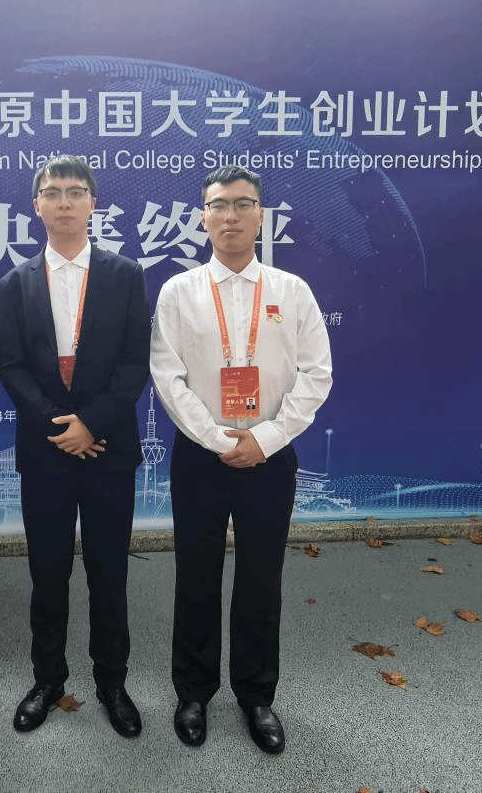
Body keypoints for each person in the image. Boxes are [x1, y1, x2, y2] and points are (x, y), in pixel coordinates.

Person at [150, 165, 332, 754]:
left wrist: (266, 438)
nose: (230, 216)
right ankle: (193, 692)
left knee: (261, 578)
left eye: (242, 204)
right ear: (202, 217)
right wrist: (217, 438)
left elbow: (316, 375)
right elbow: (168, 377)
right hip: (200, 456)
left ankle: (256, 695)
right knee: (196, 575)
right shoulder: (179, 292)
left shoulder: (292, 291)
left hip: (270, 456)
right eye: (218, 206)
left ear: (261, 216)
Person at [0, 156, 150, 738]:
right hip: (46, 451)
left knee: (109, 574)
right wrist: (60, 427)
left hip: (108, 449)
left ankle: (112, 681)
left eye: (76, 192)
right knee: (48, 573)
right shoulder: (16, 283)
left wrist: (91, 424)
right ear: (36, 204)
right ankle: (47, 679)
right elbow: (11, 365)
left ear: (92, 203)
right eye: (53, 192)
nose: (64, 202)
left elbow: (135, 363)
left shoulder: (124, 275)